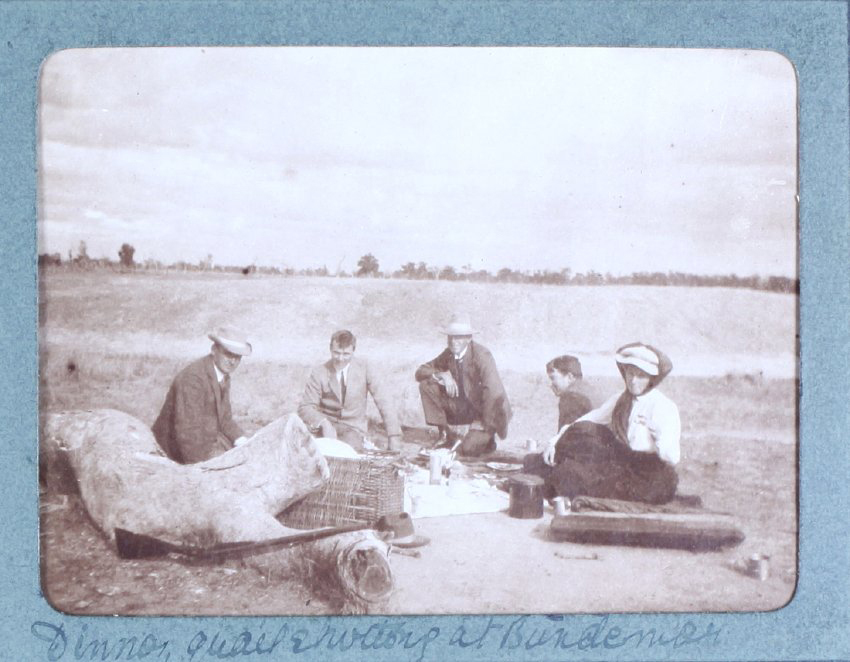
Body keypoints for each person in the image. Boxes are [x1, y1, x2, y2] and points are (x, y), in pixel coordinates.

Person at [523, 342, 680, 504]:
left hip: (649, 475)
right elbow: (589, 419)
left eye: (641, 376)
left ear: (651, 379)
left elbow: (673, 457)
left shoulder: (664, 407)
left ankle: (541, 481)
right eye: (630, 374)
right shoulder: (622, 399)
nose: (633, 381)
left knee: (570, 475)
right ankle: (538, 467)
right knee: (584, 431)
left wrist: (658, 432)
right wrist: (553, 442)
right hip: (622, 464)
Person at [415, 312, 512, 456]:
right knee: (427, 385)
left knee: (467, 450)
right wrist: (442, 375)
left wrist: (479, 425)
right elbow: (420, 371)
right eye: (451, 337)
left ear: (469, 338)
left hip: (487, 413)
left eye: (459, 337)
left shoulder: (482, 356)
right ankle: (445, 435)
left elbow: (493, 393)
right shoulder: (449, 354)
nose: (454, 341)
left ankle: (488, 437)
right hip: (465, 408)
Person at [152, 326, 251, 464]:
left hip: (207, 440)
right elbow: (187, 433)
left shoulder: (222, 375)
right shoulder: (193, 379)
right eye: (228, 354)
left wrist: (243, 442)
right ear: (214, 350)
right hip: (175, 452)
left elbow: (225, 420)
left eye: (237, 356)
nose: (232, 361)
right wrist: (202, 470)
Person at [298, 330, 401, 452]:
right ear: (330, 348)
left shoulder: (365, 368)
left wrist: (394, 436)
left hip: (353, 429)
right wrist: (324, 423)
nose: (340, 359)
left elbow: (384, 402)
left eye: (346, 354)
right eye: (336, 353)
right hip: (324, 428)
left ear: (353, 350)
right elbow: (306, 407)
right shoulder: (319, 372)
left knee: (348, 453)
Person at [546, 355, 593, 430]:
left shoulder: (570, 398)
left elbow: (565, 436)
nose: (551, 384)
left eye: (553, 378)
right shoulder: (591, 390)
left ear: (570, 377)